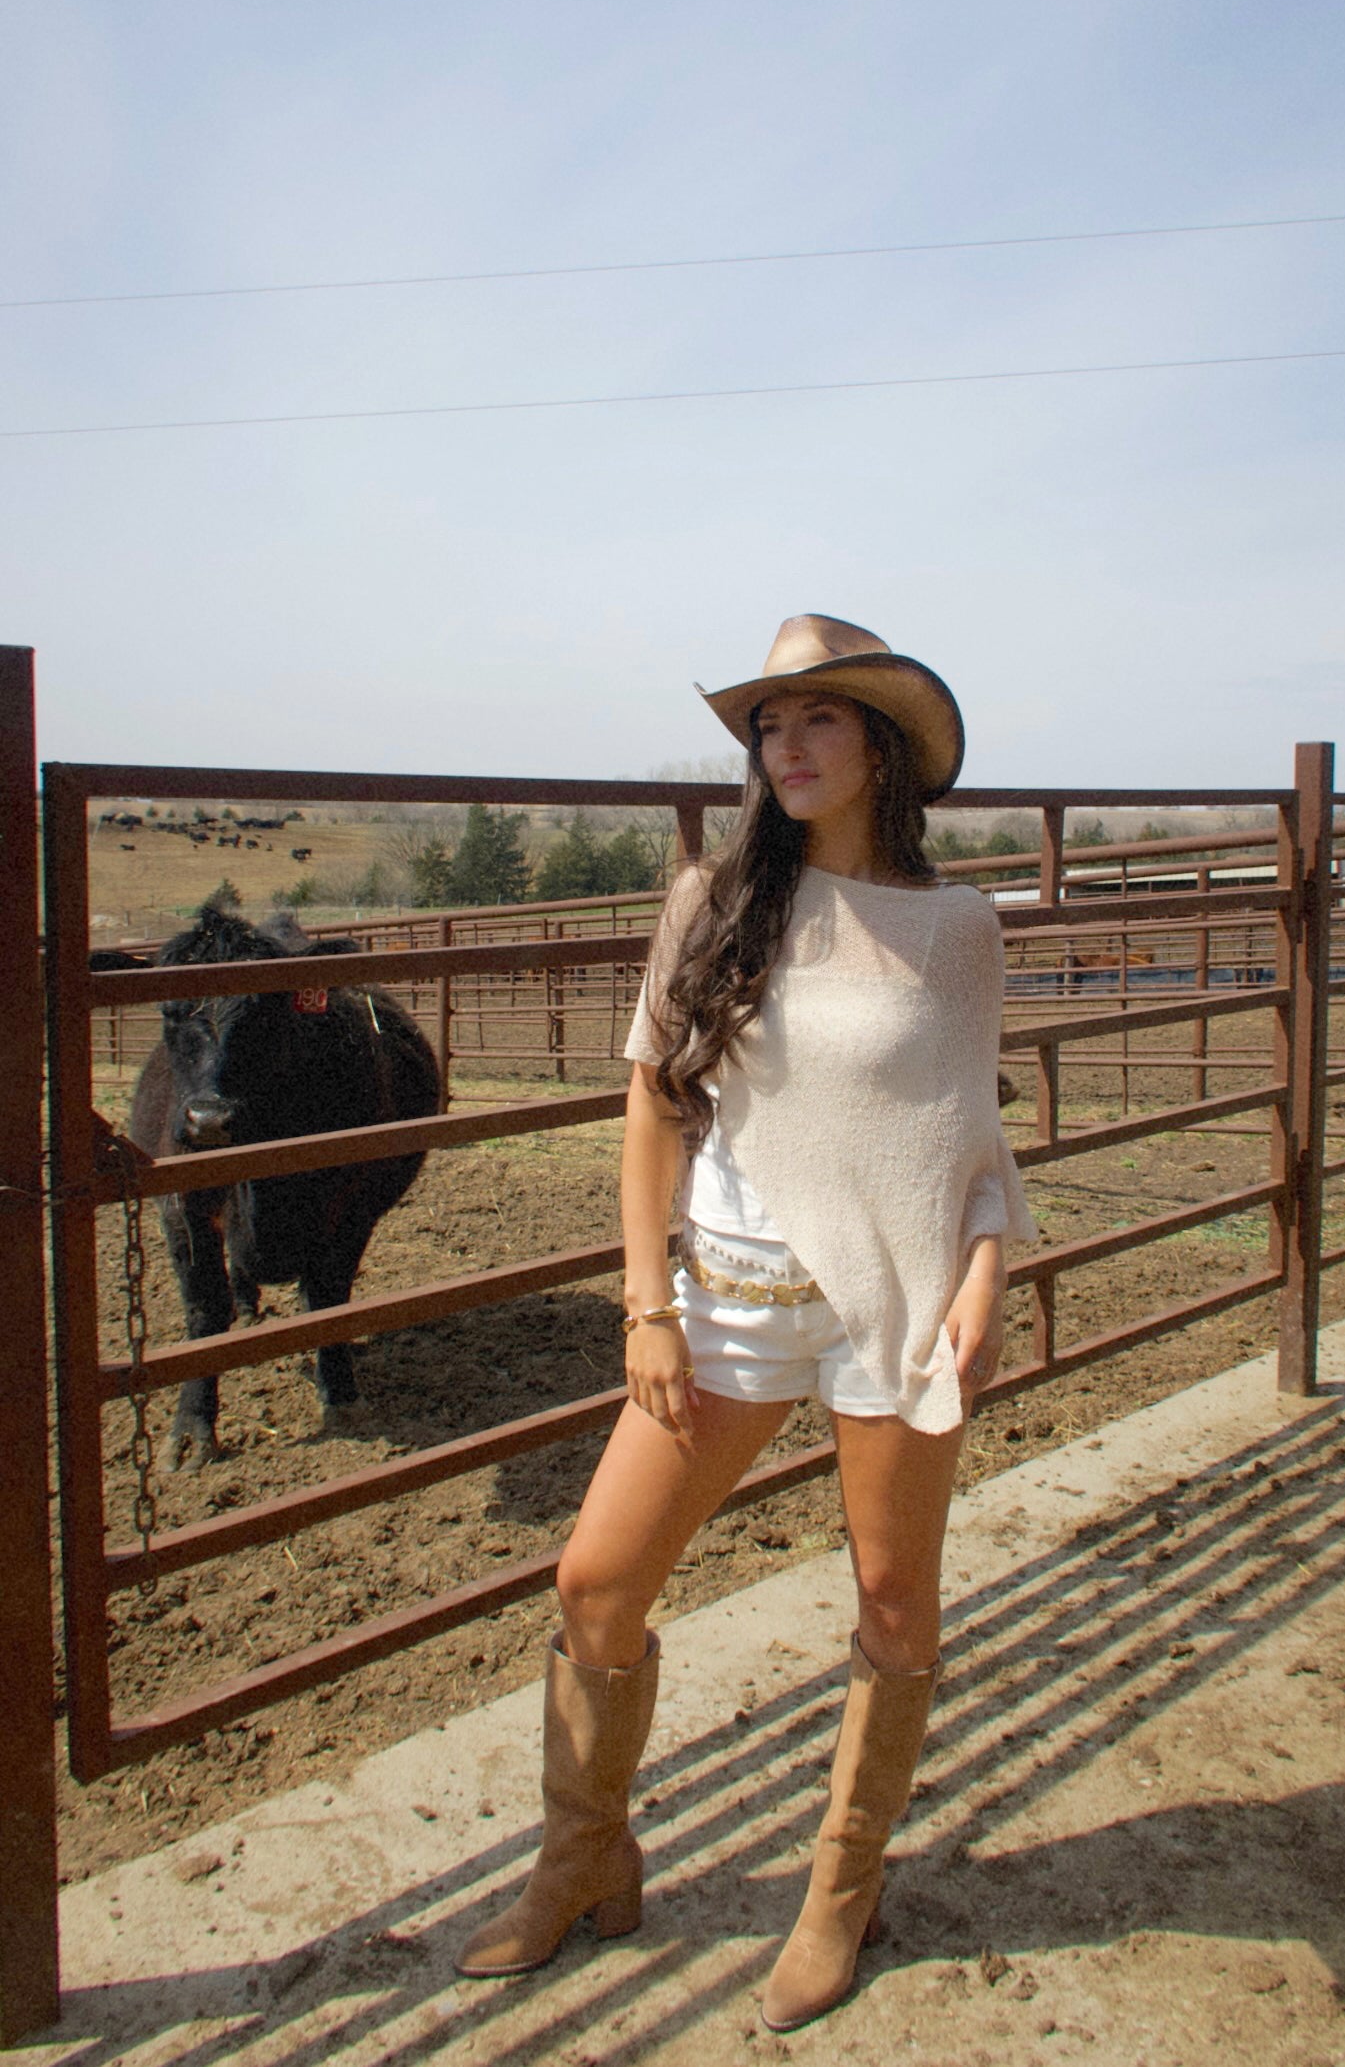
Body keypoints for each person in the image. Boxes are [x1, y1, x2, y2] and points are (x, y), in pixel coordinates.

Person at [455, 614, 1036, 2030]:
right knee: (596, 1579)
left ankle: (842, 1885)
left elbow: (970, 1135)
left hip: (886, 1308)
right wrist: (645, 1302)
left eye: (818, 719)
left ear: (879, 748)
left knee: (893, 1598)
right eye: (769, 723)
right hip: (717, 1299)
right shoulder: (708, 899)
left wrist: (984, 1274)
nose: (786, 744)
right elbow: (652, 1107)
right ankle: (586, 1857)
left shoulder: (956, 928)